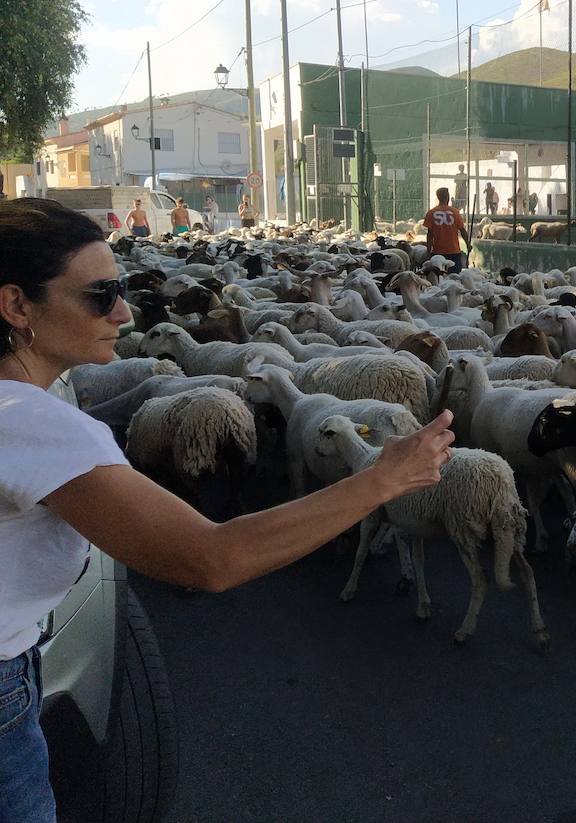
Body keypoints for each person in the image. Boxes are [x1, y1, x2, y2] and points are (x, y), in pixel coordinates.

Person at [0, 198, 453, 821]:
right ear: (17, 304)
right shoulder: (34, 423)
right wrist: (381, 479)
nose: (125, 312)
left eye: (122, 290)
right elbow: (212, 557)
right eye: (100, 295)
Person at [422, 187, 470, 266]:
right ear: (448, 197)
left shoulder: (431, 213)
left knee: (439, 276)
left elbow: (430, 235)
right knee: (455, 277)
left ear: (438, 197)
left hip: (438, 253)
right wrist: (468, 244)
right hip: (453, 251)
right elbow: (462, 231)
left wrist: (428, 252)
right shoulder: (455, 212)